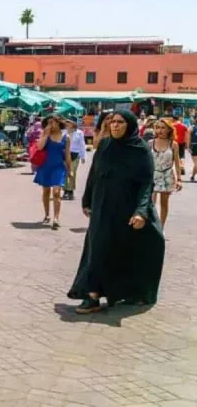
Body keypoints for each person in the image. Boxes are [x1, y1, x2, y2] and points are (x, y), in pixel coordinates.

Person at [67, 110, 165, 313]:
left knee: (137, 248)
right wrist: (87, 200)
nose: (115, 126)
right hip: (103, 206)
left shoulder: (141, 149)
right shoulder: (105, 145)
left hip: (129, 209)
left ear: (129, 125)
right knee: (97, 248)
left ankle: (136, 291)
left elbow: (146, 183)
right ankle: (92, 296)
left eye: (120, 122)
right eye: (112, 122)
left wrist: (140, 212)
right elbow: (94, 173)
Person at [33, 115, 72, 230]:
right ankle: (47, 215)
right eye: (49, 122)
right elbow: (39, 147)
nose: (51, 125)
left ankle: (56, 218)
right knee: (46, 191)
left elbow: (67, 154)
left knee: (56, 192)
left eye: (53, 122)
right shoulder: (46, 135)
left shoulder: (66, 136)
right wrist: (45, 134)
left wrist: (70, 170)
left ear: (58, 122)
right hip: (45, 166)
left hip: (58, 167)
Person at [150, 119, 182, 229]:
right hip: (153, 176)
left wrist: (179, 179)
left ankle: (161, 227)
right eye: (158, 127)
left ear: (169, 129)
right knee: (150, 203)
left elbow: (177, 163)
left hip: (167, 176)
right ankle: (152, 226)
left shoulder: (173, 144)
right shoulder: (150, 143)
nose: (160, 130)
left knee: (164, 204)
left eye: (163, 128)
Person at [63, 119, 87, 201]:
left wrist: (83, 156)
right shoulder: (64, 132)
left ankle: (70, 191)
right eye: (67, 122)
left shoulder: (79, 133)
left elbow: (82, 145)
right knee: (65, 173)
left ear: (73, 124)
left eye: (69, 122)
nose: (67, 124)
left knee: (72, 172)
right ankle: (65, 190)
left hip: (75, 154)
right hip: (65, 154)